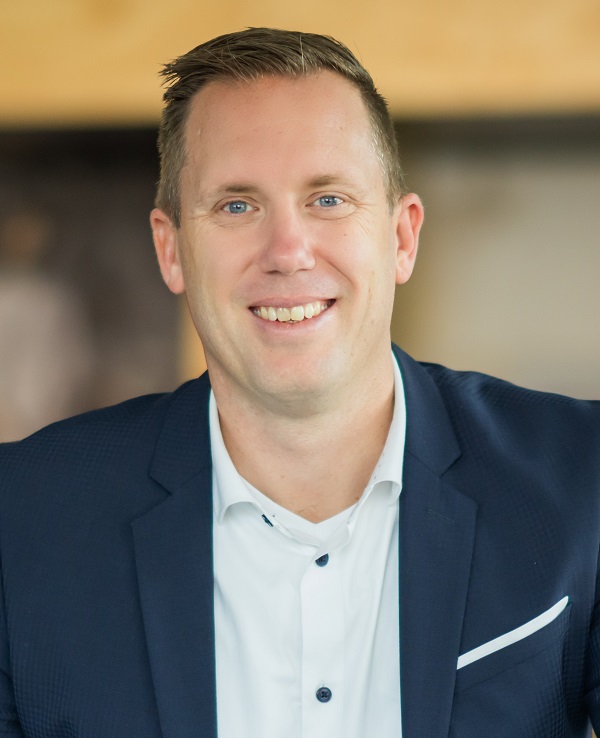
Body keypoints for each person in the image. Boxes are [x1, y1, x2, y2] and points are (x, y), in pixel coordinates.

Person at [0, 27, 599, 738]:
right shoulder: (21, 520)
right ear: (171, 250)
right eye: (237, 206)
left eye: (329, 199)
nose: (287, 251)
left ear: (402, 237)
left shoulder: (581, 476)